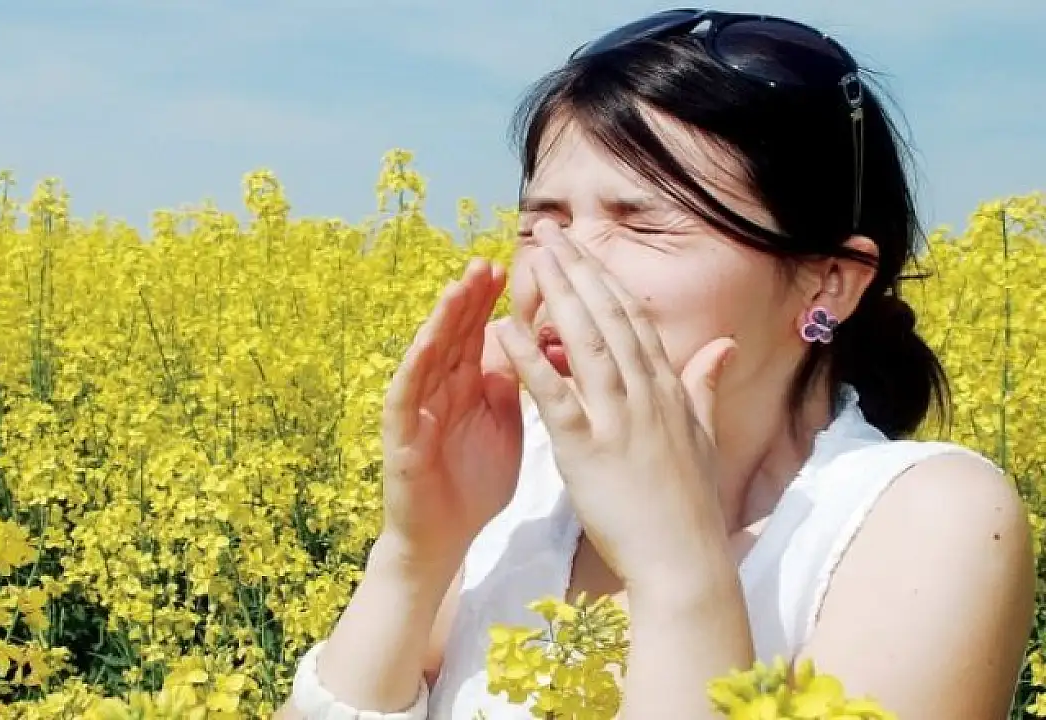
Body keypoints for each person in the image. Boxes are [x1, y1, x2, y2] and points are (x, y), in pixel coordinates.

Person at [278, 8, 1036, 719]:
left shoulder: (930, 521)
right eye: (541, 225)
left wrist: (680, 574)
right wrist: (415, 553)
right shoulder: (520, 487)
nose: (560, 269)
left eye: (643, 225)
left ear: (829, 282)